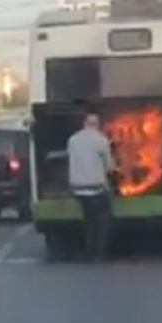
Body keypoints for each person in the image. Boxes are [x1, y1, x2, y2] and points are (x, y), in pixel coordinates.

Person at [67, 112, 115, 262]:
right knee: (103, 219)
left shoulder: (72, 140)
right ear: (98, 125)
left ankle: (88, 251)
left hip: (77, 189)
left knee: (88, 220)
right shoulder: (101, 140)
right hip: (96, 188)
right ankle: (98, 254)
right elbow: (110, 168)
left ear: (84, 124)